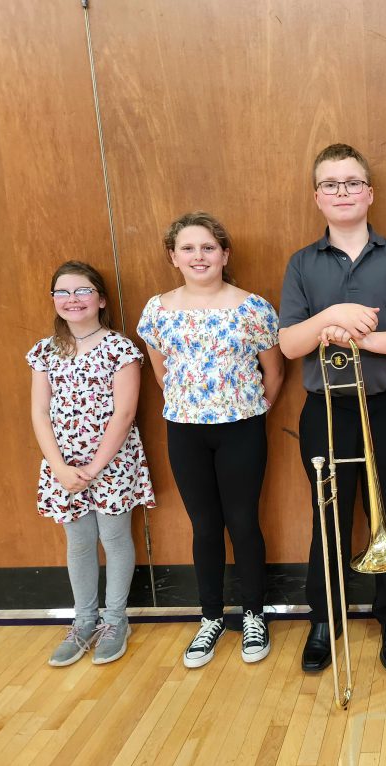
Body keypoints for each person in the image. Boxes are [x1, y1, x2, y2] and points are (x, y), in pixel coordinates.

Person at [279, 143, 386, 672]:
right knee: (329, 520)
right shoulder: (302, 263)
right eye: (330, 184)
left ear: (369, 193)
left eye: (351, 182)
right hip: (324, 411)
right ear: (317, 197)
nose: (341, 191)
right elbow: (289, 344)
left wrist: (355, 337)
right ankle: (325, 617)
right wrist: (335, 314)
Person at [137, 211, 284, 668]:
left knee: (243, 522)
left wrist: (245, 410)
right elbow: (161, 372)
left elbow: (274, 371)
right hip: (185, 430)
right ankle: (210, 617)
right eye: (188, 248)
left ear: (225, 254)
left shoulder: (252, 307)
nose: (198, 256)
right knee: (204, 525)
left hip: (242, 428)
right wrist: (194, 407)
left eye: (207, 247)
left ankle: (254, 614)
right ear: (173, 257)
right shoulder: (157, 310)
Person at [28, 261, 156, 667]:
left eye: (82, 291)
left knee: (115, 538)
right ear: (54, 301)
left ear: (100, 298)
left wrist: (96, 468)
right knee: (79, 542)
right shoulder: (45, 351)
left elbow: (124, 413)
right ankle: (84, 619)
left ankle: (115, 621)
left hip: (111, 463)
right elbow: (39, 413)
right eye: (63, 292)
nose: (73, 299)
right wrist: (61, 468)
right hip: (63, 467)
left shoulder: (120, 349)